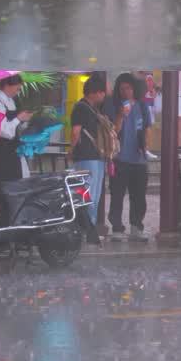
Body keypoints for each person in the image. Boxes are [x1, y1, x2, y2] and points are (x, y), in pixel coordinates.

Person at [103, 73, 152, 242]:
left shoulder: (142, 106)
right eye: (122, 88)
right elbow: (113, 131)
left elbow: (146, 127)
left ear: (134, 89)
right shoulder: (114, 105)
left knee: (139, 195)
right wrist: (121, 114)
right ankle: (117, 228)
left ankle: (136, 227)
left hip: (138, 158)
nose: (126, 92)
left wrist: (145, 145)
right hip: (120, 158)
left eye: (129, 88)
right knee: (117, 194)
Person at [0, 75, 33, 225]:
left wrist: (24, 122)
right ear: (8, 85)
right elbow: (3, 131)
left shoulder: (11, 102)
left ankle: (9, 227)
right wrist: (18, 119)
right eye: (17, 87)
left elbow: (15, 128)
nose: (18, 91)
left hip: (11, 154)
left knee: (11, 190)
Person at [69, 74, 112, 246]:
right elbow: (75, 132)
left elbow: (76, 132)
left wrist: (71, 151)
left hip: (91, 158)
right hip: (91, 158)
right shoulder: (84, 108)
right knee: (88, 195)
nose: (103, 95)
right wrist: (72, 149)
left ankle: (87, 230)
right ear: (93, 92)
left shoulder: (87, 108)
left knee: (87, 194)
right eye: (101, 92)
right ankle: (87, 230)